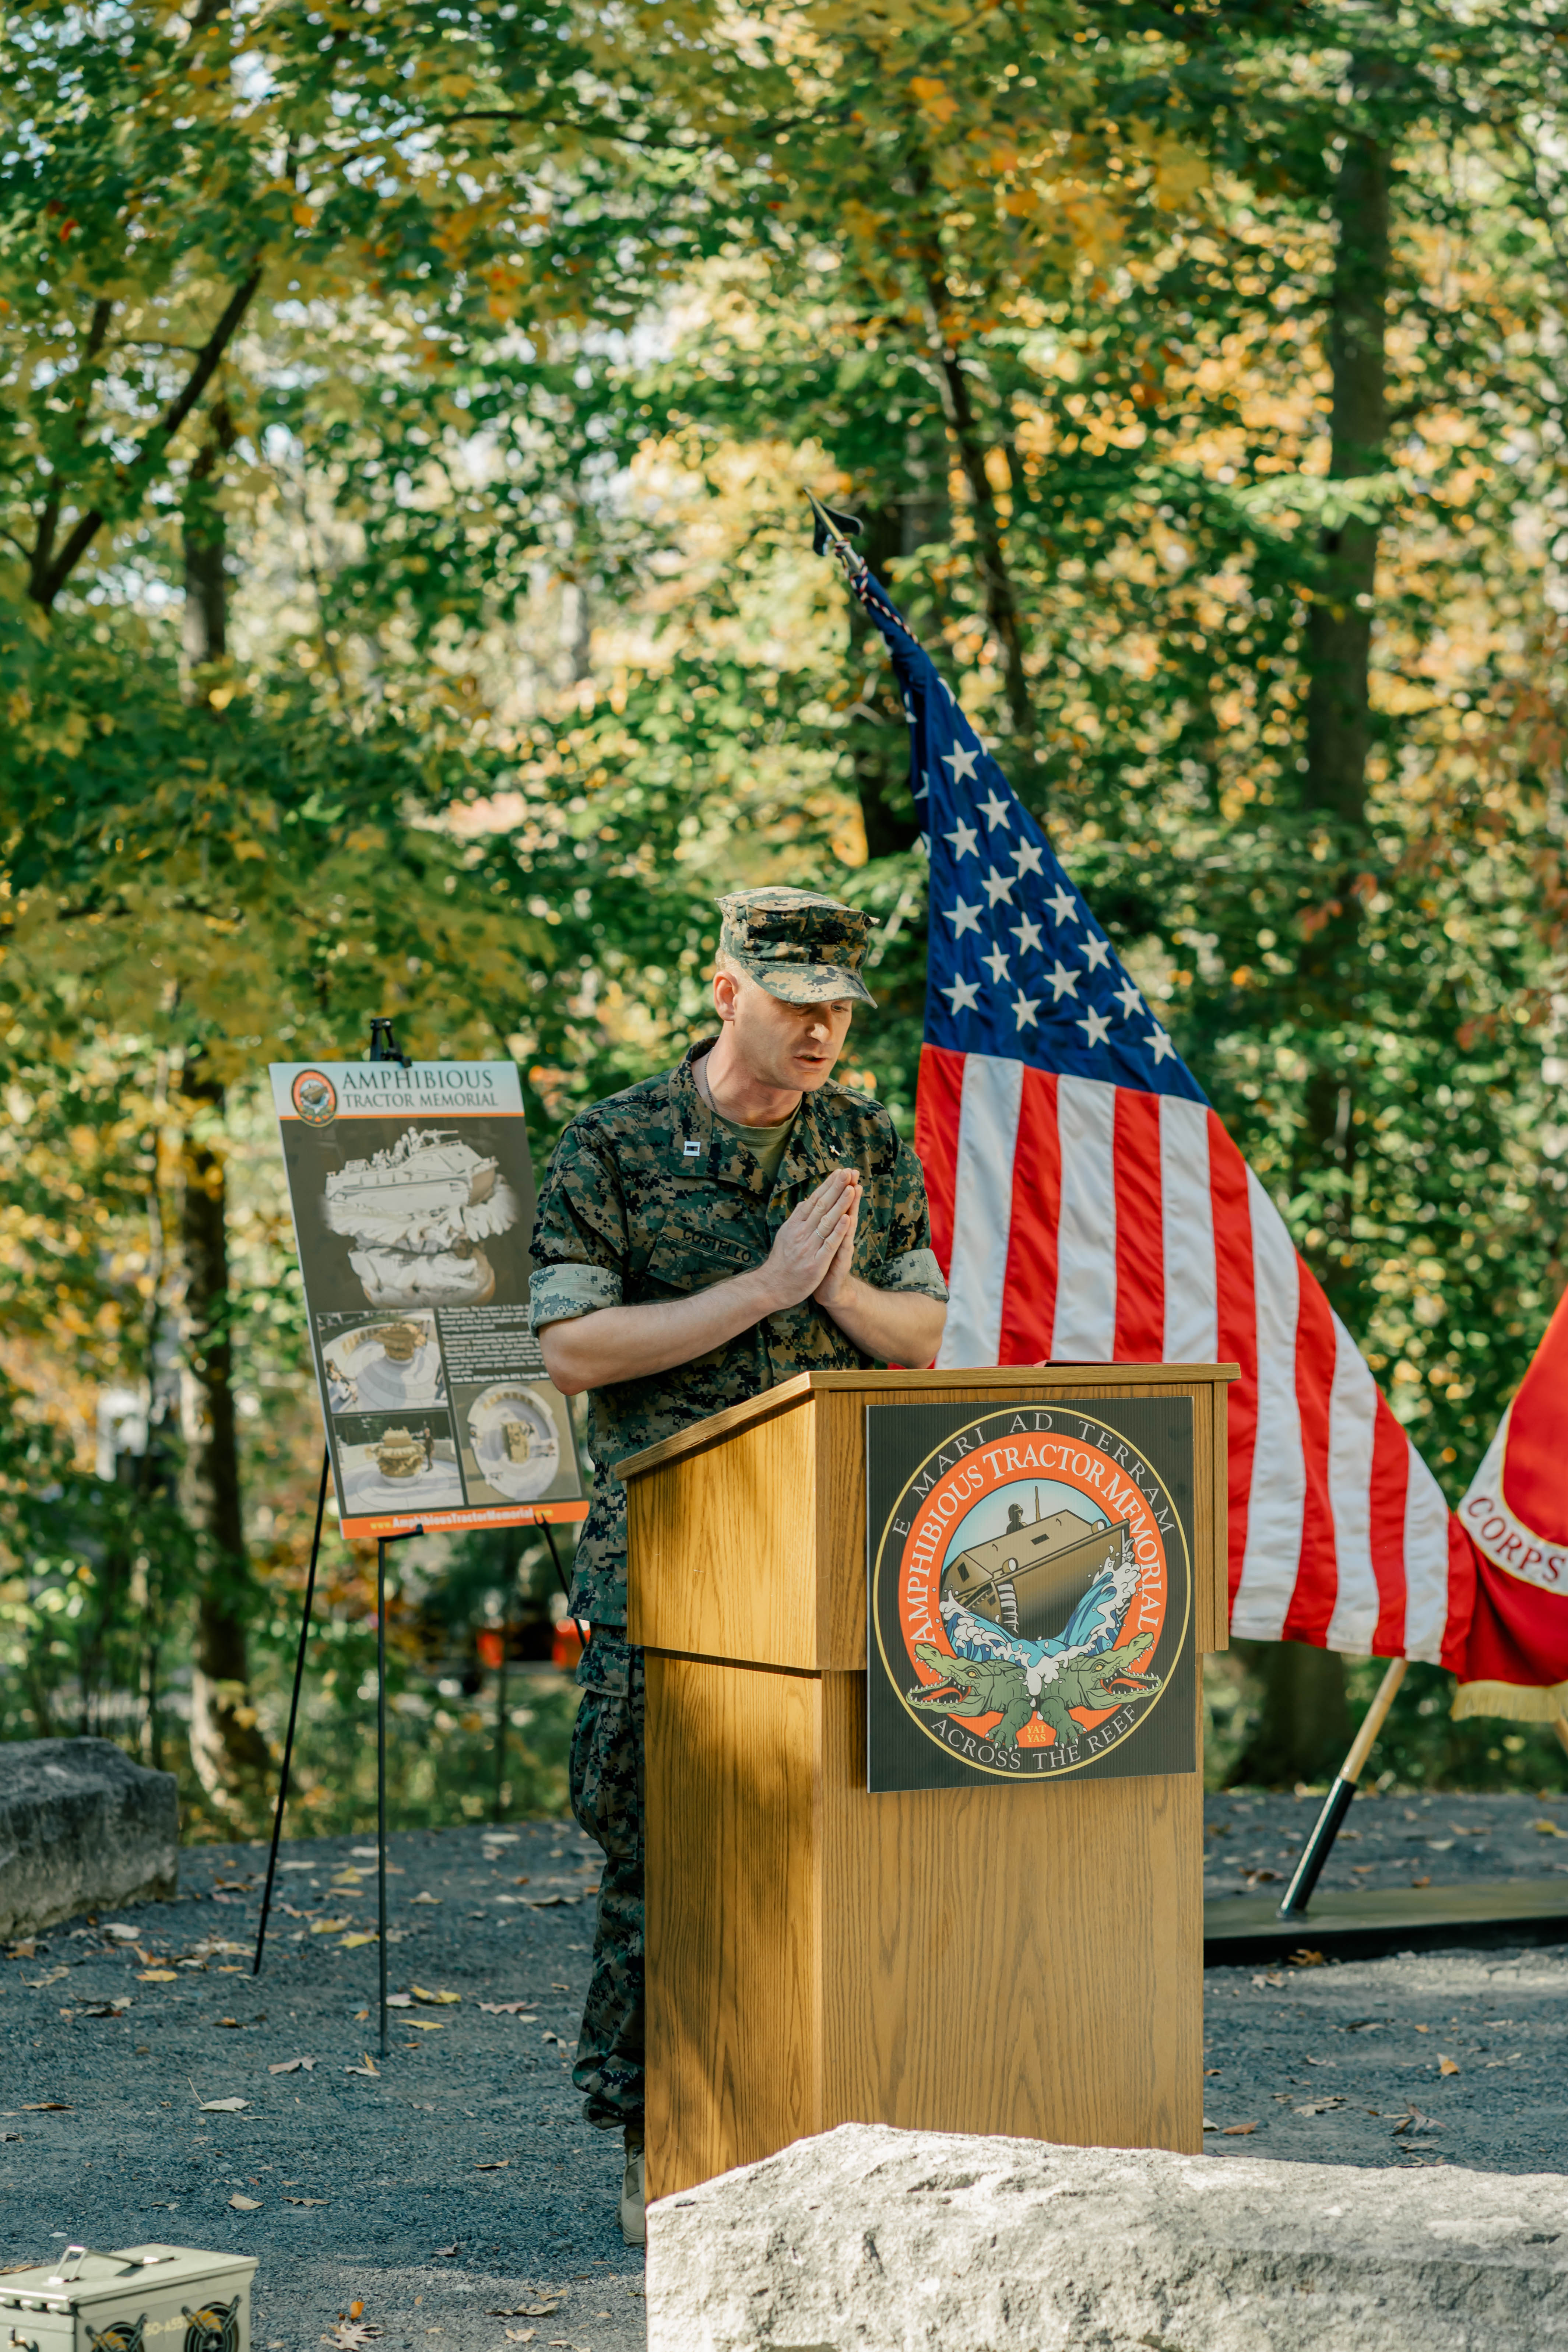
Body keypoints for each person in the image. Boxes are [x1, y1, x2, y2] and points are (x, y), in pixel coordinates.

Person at [528, 887, 948, 2243]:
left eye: (838, 1006)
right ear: (724, 995)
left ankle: (827, 2124)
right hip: (664, 1567)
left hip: (831, 1567)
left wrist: (829, 1291)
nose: (822, 1027)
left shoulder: (864, 1140)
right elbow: (570, 1351)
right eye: (794, 1002)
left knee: (840, 1851)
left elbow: (922, 1333)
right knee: (663, 1853)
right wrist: (761, 1290)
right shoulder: (615, 1142)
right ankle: (662, 2137)